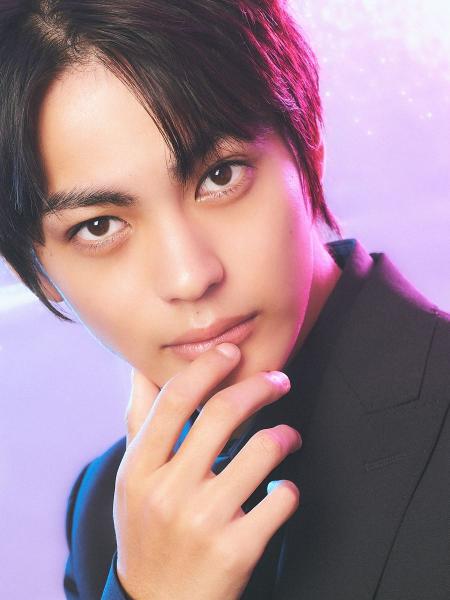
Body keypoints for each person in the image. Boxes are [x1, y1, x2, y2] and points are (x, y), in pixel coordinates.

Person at [0, 1, 448, 599]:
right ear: (37, 271)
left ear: (308, 148)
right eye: (99, 226)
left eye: (220, 176)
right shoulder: (111, 513)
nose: (190, 276)